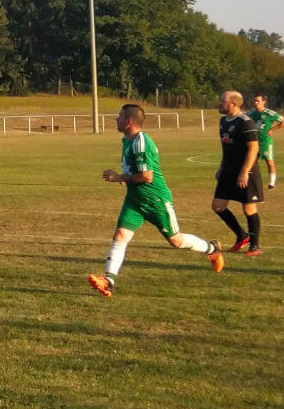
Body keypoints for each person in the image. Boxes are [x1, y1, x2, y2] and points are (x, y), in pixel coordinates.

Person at [88, 103, 224, 297]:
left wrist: (119, 178)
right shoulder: (127, 140)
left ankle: (212, 249)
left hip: (156, 200)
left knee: (176, 241)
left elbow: (147, 177)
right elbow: (134, 172)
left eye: (119, 116)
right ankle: (108, 281)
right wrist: (124, 178)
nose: (116, 119)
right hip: (135, 200)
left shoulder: (141, 142)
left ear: (129, 121)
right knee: (120, 236)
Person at [211, 90, 264, 256]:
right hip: (228, 171)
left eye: (223, 100)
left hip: (246, 172)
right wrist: (221, 168)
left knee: (248, 208)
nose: (220, 102)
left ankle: (255, 246)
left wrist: (244, 172)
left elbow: (253, 149)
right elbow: (226, 149)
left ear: (234, 104)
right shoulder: (223, 121)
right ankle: (242, 235)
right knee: (218, 206)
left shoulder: (245, 122)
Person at [247, 95, 284, 189]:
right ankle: (252, 182)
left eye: (258, 101)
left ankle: (271, 183)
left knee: (269, 162)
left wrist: (272, 129)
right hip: (254, 142)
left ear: (263, 102)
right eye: (254, 101)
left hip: (265, 142)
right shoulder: (251, 113)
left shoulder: (270, 113)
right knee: (252, 162)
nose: (255, 103)